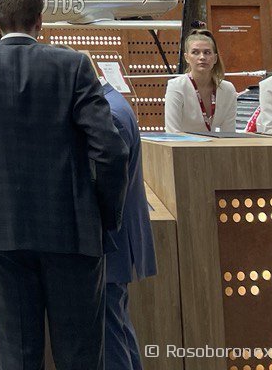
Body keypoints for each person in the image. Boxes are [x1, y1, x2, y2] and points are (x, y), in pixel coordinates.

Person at [0, 0, 128, 370]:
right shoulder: (73, 65)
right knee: (81, 355)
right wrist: (104, 214)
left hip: (2, 226)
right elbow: (110, 149)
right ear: (40, 21)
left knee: (17, 353)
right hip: (73, 230)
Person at [88, 53, 157, 370]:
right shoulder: (112, 102)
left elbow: (109, 183)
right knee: (118, 326)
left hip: (112, 238)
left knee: (111, 334)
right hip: (119, 237)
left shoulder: (110, 114)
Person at [164, 30, 238, 134]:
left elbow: (229, 134)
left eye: (207, 52)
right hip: (183, 144)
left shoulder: (228, 89)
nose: (202, 57)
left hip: (216, 144)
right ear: (186, 58)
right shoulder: (176, 86)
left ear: (215, 58)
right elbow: (172, 132)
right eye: (195, 52)